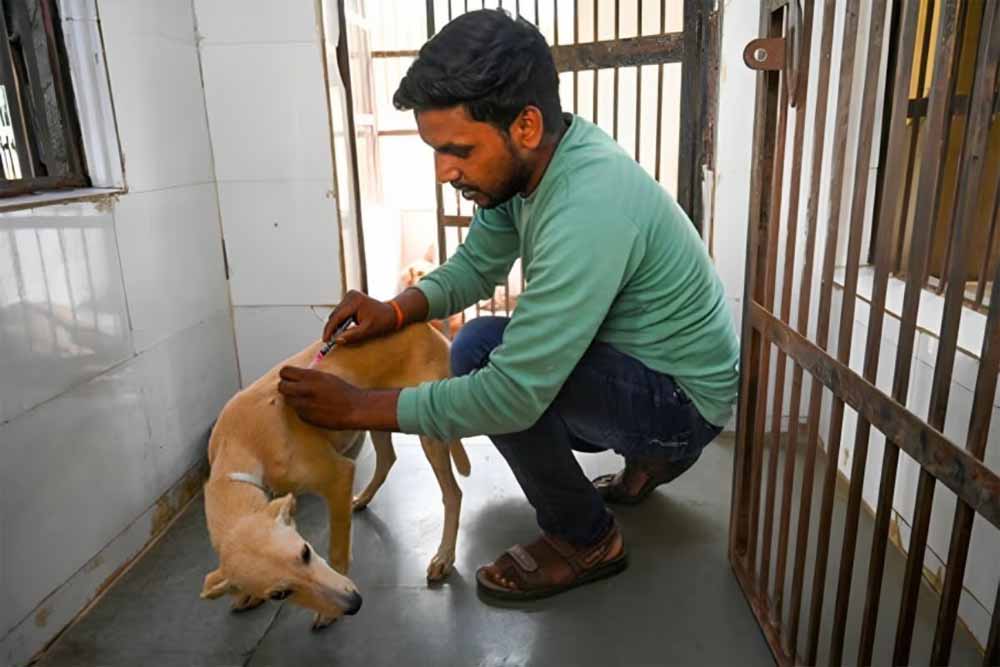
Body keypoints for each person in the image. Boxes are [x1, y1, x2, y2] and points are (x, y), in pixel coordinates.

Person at [277, 8, 739, 602]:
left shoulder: (588, 204)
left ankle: (587, 537)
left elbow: (513, 395)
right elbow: (477, 265)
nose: (445, 171)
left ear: (524, 125)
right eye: (436, 151)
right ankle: (644, 465)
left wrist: (360, 407)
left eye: (459, 149)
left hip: (682, 406)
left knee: (479, 352)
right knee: (488, 346)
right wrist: (394, 310)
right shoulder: (535, 165)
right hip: (648, 374)